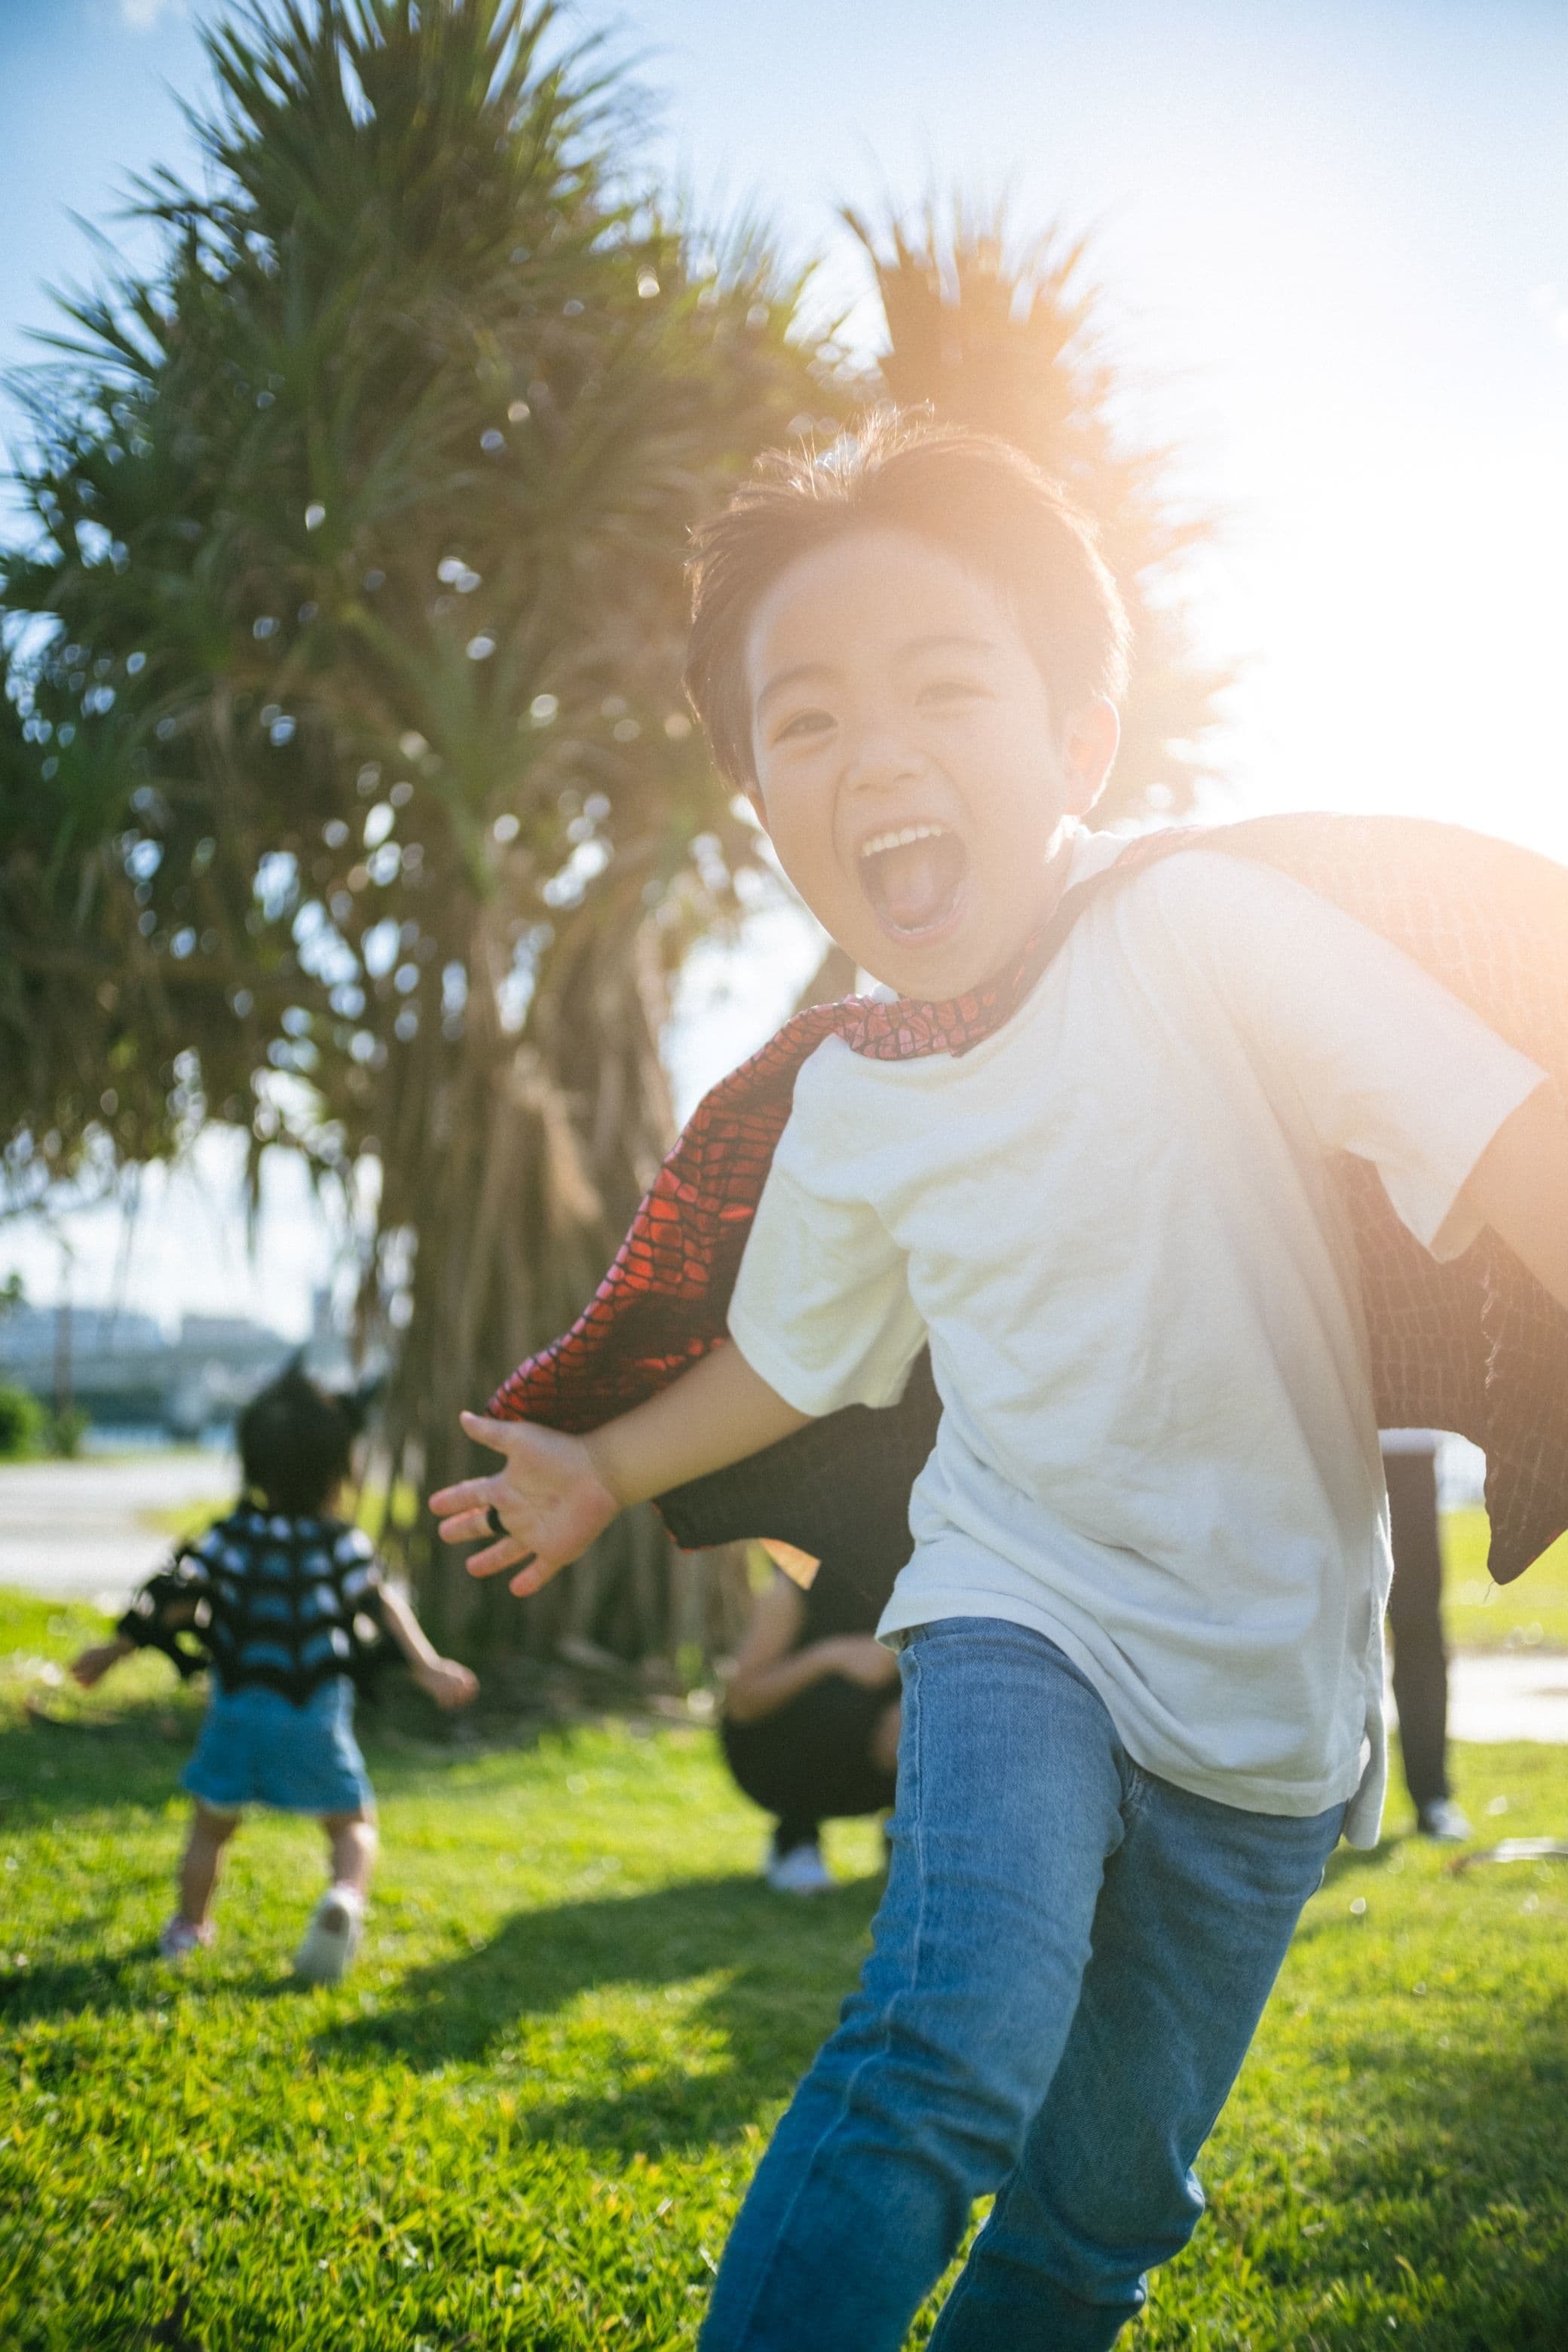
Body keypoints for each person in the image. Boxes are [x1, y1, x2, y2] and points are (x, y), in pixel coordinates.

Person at [429, 418, 1568, 2350]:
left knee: (1106, 2206)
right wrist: (605, 1467)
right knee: (941, 2049)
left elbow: (1498, 1136)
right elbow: (795, 1352)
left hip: (1273, 1698)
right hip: (1013, 1609)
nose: (875, 753)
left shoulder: (1202, 929)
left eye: (942, 685)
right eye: (806, 720)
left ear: (1078, 739)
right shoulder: (849, 1098)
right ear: (764, 809)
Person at [72, 1361, 476, 1983]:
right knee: (352, 1826)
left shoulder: (229, 1538)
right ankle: (345, 1898)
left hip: (236, 1712)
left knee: (211, 1830)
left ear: (254, 1463)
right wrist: (428, 1667)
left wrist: (111, 1652)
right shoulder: (341, 1545)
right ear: (338, 1469)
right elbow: (383, 1604)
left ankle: (188, 1929)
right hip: (313, 1716)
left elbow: (172, 1603)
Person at [722, 1540, 900, 1894]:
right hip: (778, 1748)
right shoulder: (800, 1574)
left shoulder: (936, 1574)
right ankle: (796, 1839)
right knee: (841, 1700)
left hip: (887, 1744)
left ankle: (910, 1841)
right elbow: (742, 1702)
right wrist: (831, 1656)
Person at [1381, 1430, 1471, 1841]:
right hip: (1320, 1435)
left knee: (1419, 1628)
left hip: (1405, 1445)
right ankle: (1316, 1803)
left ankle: (1432, 1796)